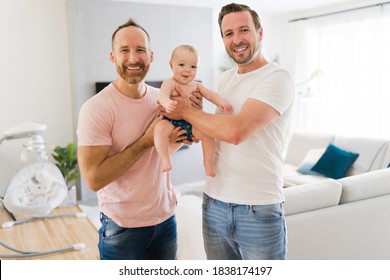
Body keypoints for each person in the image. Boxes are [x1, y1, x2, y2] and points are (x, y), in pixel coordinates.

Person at [162, 3, 295, 260]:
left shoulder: (276, 78)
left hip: (257, 208)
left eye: (243, 30)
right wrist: (173, 131)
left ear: (260, 32)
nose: (237, 39)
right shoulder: (227, 79)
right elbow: (214, 129)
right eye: (228, 34)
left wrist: (185, 113)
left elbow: (236, 132)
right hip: (214, 204)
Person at [76, 19, 200, 260]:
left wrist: (186, 134)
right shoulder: (96, 108)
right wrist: (144, 141)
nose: (133, 58)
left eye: (140, 50)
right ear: (113, 57)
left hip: (166, 220)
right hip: (123, 229)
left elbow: (161, 152)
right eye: (124, 50)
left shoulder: (162, 99)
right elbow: (93, 179)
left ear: (151, 56)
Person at [155, 45, 232, 176]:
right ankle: (165, 159)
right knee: (159, 129)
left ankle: (208, 163)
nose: (187, 70)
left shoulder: (197, 85)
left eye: (193, 66)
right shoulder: (169, 83)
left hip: (191, 122)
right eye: (181, 65)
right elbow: (162, 96)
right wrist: (167, 103)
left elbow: (211, 95)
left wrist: (221, 102)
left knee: (208, 133)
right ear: (171, 65)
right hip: (170, 121)